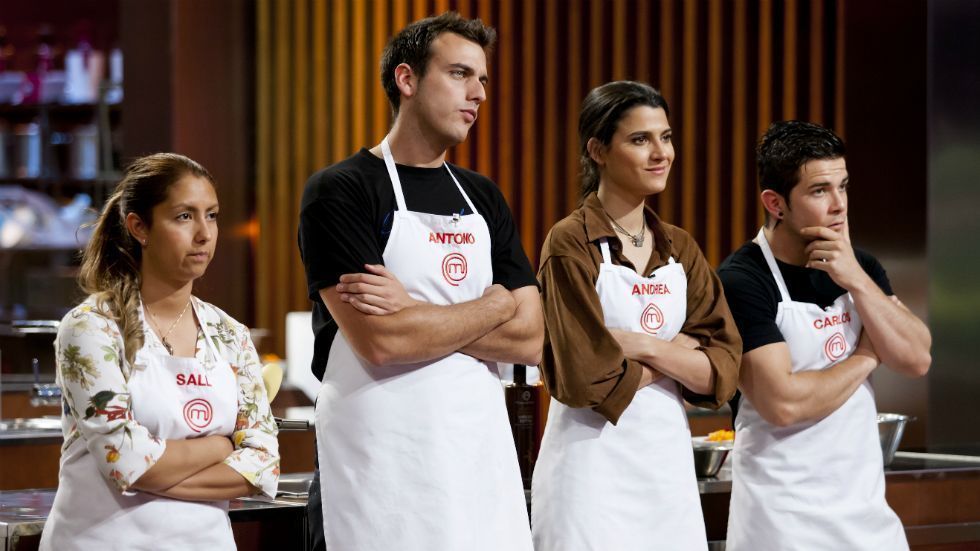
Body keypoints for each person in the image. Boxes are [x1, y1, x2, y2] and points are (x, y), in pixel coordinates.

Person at [297, 12, 541, 551]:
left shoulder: (483, 196)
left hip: (477, 459)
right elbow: (382, 341)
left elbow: (531, 339)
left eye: (482, 79)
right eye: (459, 74)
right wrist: (494, 306)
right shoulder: (340, 190)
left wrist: (414, 309)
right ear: (406, 80)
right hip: (381, 467)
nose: (478, 93)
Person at [531, 80, 742, 550]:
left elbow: (723, 371)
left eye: (665, 137)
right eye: (640, 139)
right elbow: (585, 379)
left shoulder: (680, 246)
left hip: (667, 473)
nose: (660, 153)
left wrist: (642, 345)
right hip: (588, 474)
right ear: (598, 151)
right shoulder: (570, 241)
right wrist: (678, 354)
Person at [39, 153, 280, 550]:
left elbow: (263, 466)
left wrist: (149, 472)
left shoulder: (230, 334)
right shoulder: (93, 327)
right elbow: (124, 460)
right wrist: (219, 446)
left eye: (212, 216)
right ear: (139, 227)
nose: (204, 234)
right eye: (184, 216)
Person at [719, 121, 932, 550]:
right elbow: (783, 404)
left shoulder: (860, 267)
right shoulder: (742, 279)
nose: (839, 206)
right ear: (775, 203)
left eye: (843, 187)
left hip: (866, 514)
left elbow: (916, 358)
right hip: (783, 519)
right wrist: (867, 356)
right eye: (819, 191)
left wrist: (856, 280)